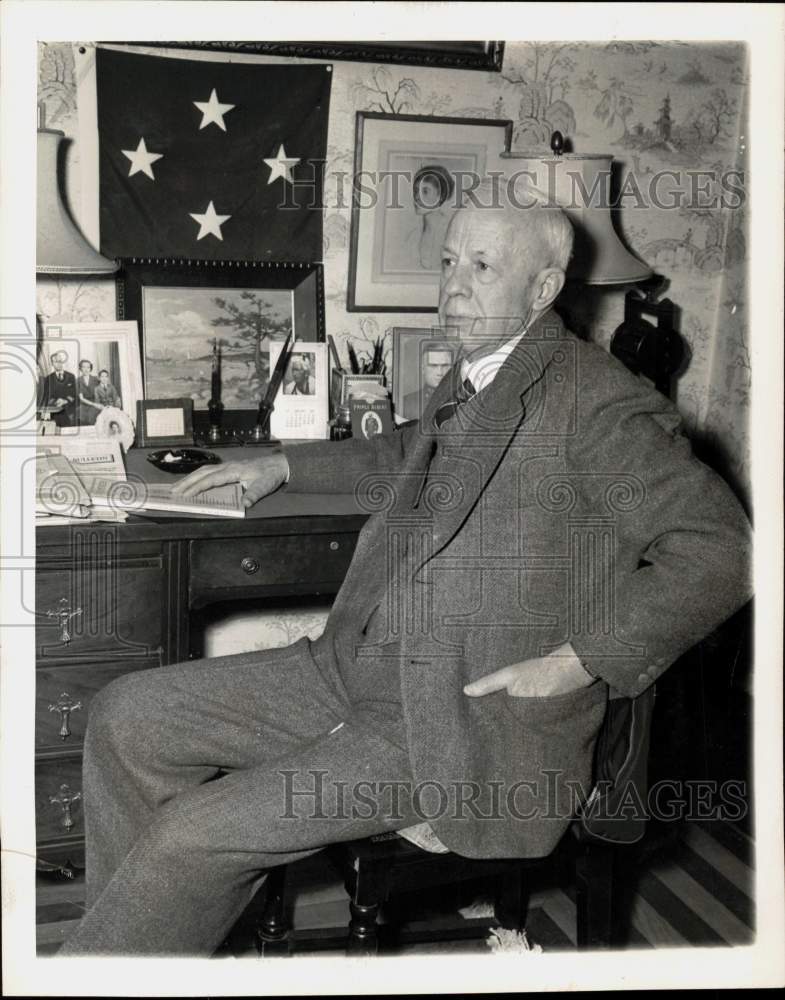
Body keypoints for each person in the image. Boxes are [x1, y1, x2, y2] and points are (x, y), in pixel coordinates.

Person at [60, 178, 752, 956]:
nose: (452, 290)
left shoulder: (595, 404)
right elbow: (405, 449)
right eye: (449, 262)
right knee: (127, 716)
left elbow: (721, 551)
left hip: (457, 722)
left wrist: (575, 662)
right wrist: (280, 466)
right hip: (351, 668)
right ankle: (138, 952)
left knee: (191, 832)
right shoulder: (483, 369)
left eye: (482, 269)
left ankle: (113, 961)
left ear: (544, 287)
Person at [406, 164, 455, 270]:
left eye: (425, 191)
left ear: (441, 196)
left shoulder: (451, 232)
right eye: (415, 191)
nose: (417, 197)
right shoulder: (413, 236)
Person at [401, 343, 454, 420]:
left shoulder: (462, 401)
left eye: (445, 366)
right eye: (433, 366)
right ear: (423, 369)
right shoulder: (406, 403)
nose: (439, 372)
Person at [37, 350, 76, 427]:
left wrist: (65, 401)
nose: (58, 364)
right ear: (52, 364)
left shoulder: (71, 376)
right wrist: (56, 401)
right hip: (55, 407)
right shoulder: (48, 379)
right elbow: (47, 396)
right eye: (56, 362)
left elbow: (74, 394)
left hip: (69, 407)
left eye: (60, 361)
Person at [76, 359, 101, 426]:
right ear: (80, 368)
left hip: (96, 403)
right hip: (84, 404)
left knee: (94, 417)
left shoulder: (96, 379)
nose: (86, 369)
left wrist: (98, 404)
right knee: (81, 417)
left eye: (88, 367)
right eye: (84, 367)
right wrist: (94, 404)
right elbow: (81, 398)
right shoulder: (78, 380)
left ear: (90, 369)